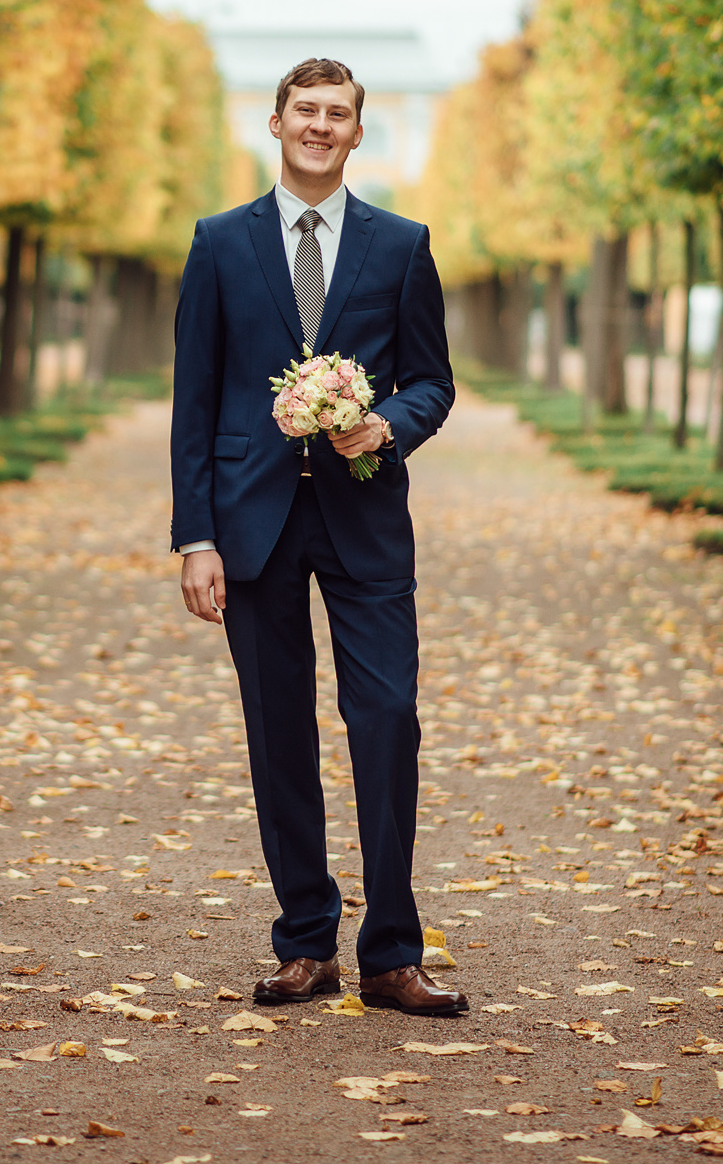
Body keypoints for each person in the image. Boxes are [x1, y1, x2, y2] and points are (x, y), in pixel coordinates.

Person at [169, 56, 464, 1017]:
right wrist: (195, 536)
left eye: (339, 114)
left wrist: (389, 424)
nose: (321, 126)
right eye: (307, 110)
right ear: (277, 122)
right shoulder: (218, 244)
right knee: (278, 731)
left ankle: (392, 955)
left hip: (366, 516)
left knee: (388, 721)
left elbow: (433, 381)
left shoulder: (402, 244)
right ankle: (305, 943)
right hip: (252, 526)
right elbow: (196, 401)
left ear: (357, 133)